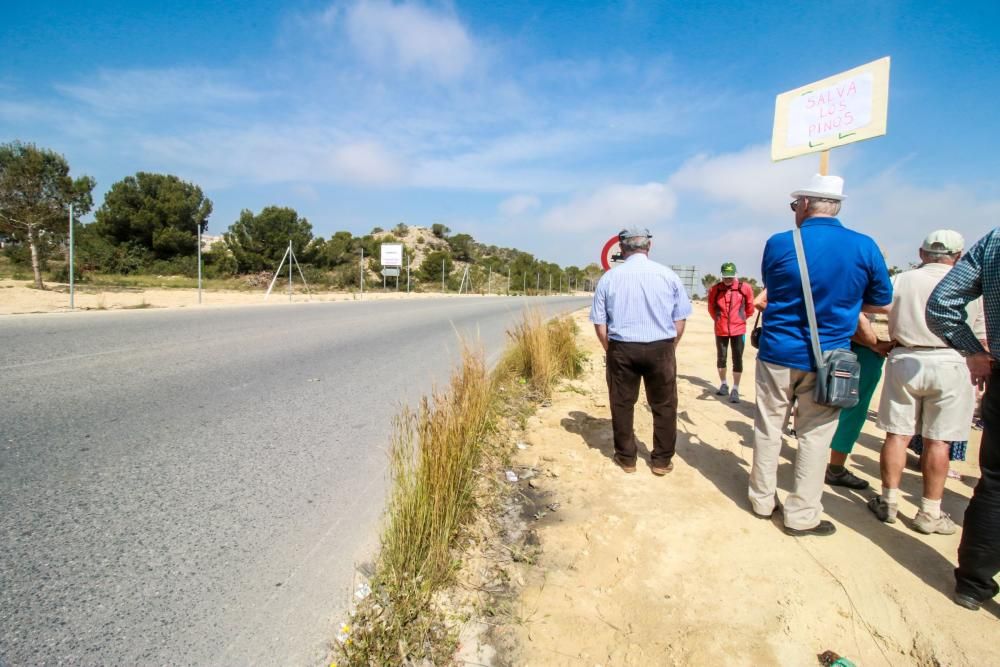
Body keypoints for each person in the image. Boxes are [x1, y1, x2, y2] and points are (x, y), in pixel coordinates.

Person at [748, 174, 892, 536]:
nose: (795, 210)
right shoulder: (864, 246)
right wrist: (845, 304)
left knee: (769, 428)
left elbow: (776, 286)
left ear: (807, 204)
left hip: (777, 352)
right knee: (815, 436)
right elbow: (881, 301)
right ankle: (801, 514)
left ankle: (762, 501)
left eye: (796, 204)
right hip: (831, 357)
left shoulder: (780, 243)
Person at [868, 231, 981, 536]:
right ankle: (929, 511)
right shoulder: (970, 284)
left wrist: (881, 339)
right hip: (951, 360)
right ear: (958, 255)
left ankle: (888, 501)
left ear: (922, 253)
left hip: (906, 356)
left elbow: (868, 306)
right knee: (939, 441)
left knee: (897, 435)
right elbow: (981, 334)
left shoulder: (901, 280)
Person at [926, 227, 1000, 611]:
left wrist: (973, 351)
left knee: (995, 484)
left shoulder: (996, 240)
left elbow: (942, 304)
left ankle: (972, 583)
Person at [590, 226, 692, 476]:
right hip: (661, 347)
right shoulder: (667, 275)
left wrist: (610, 349)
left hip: (622, 348)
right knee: (664, 404)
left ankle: (627, 458)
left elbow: (600, 323)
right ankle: (661, 461)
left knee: (622, 403)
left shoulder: (610, 278)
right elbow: (680, 319)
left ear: (622, 248)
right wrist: (671, 346)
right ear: (649, 246)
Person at [825, 314, 895, 489]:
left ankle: (816, 461)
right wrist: (874, 344)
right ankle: (835, 468)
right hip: (863, 352)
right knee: (852, 410)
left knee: (826, 404)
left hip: (835, 346)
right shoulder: (877, 289)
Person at [707, 262, 755, 403]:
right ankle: (723, 384)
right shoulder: (715, 289)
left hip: (738, 329)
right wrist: (718, 320)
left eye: (730, 277)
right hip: (721, 329)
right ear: (721, 276)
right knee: (721, 357)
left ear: (735, 275)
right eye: (725, 277)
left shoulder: (744, 288)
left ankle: (735, 388)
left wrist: (741, 319)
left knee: (737, 358)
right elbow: (711, 308)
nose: (728, 280)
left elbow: (750, 308)